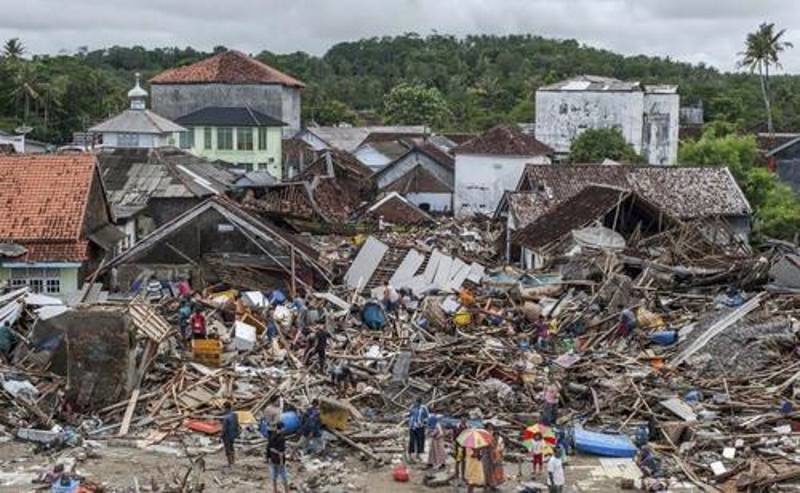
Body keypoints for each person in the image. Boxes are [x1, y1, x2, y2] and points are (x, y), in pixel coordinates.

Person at [267, 422, 289, 493]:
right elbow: (281, 452)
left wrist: (268, 457)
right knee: (284, 477)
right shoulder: (282, 438)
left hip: (272, 459)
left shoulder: (272, 435)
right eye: (284, 428)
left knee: (274, 476)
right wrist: (282, 462)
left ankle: (275, 490)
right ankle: (287, 491)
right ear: (282, 428)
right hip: (279, 460)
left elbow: (268, 447)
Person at [220, 402, 240, 468]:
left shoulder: (226, 417)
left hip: (227, 435)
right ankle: (233, 462)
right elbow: (237, 425)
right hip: (233, 434)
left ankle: (230, 463)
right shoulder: (235, 415)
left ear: (226, 408)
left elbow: (224, 428)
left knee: (228, 449)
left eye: (223, 408)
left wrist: (221, 435)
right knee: (232, 448)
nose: (222, 410)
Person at [453, 417, 468, 482]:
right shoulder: (457, 427)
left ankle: (462, 475)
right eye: (463, 420)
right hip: (459, 446)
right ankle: (457, 475)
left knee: (463, 461)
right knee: (458, 461)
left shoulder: (467, 427)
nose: (464, 421)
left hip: (464, 446)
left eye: (465, 420)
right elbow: (454, 437)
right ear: (461, 420)